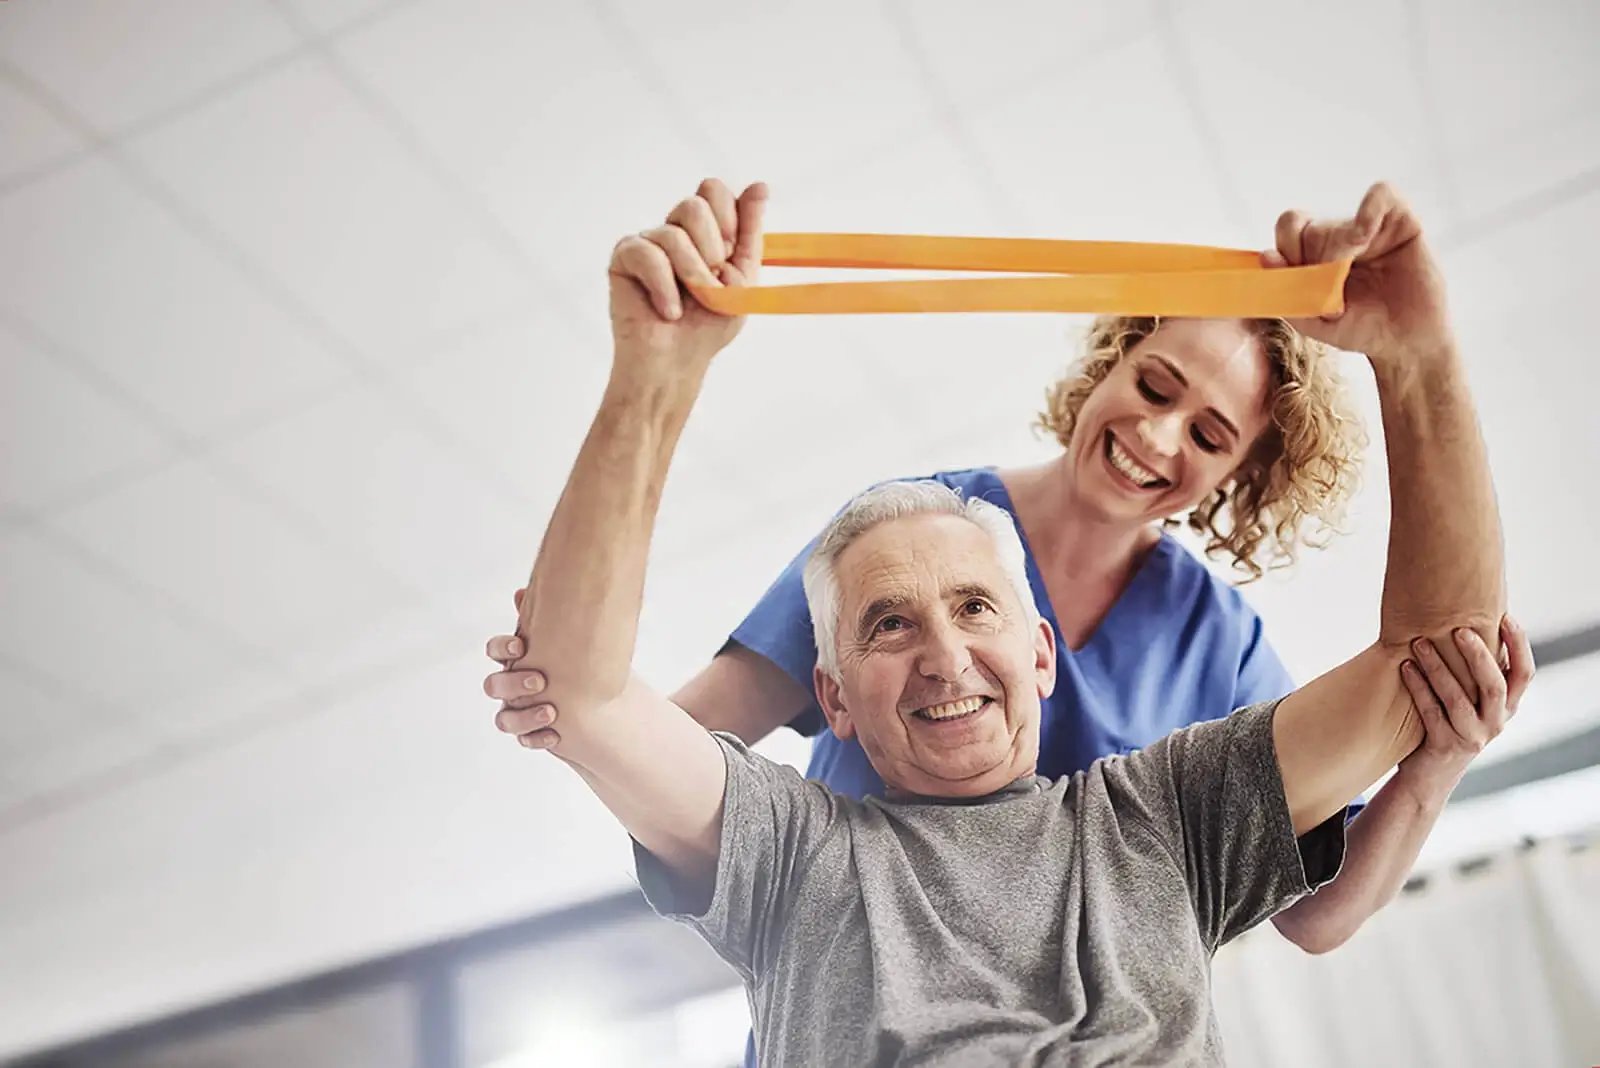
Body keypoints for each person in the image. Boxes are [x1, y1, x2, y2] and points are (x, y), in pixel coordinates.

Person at [487, 179, 1530, 1064]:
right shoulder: (899, 544)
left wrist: (1417, 357)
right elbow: (620, 707)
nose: (946, 656)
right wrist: (650, 397)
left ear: (1039, 654)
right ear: (832, 692)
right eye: (890, 624)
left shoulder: (1170, 800)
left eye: (1208, 434)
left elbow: (1408, 705)